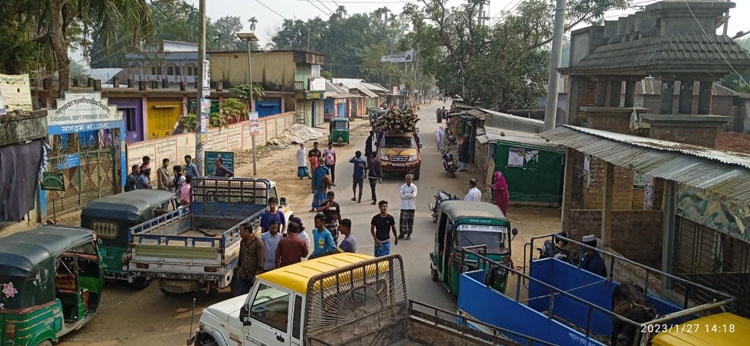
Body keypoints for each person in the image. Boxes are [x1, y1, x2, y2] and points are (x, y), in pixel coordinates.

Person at [235, 222, 265, 295]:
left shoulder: (258, 243)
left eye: (241, 231)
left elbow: (261, 261)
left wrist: (256, 276)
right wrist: (239, 269)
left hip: (252, 277)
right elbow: (241, 256)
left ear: (247, 231)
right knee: (240, 296)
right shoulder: (242, 242)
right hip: (243, 276)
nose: (240, 233)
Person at [398, 174, 417, 240]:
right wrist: (409, 194)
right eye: (407, 179)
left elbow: (414, 195)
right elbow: (401, 196)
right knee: (403, 221)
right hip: (404, 206)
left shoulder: (414, 187)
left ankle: (409, 234)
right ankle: (402, 234)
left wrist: (405, 194)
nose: (408, 181)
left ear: (412, 179)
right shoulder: (402, 187)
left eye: (410, 179)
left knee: (410, 221)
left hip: (411, 206)